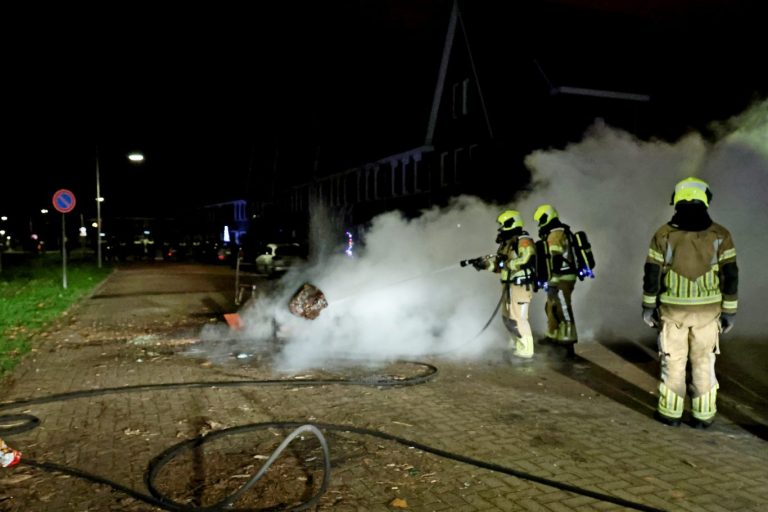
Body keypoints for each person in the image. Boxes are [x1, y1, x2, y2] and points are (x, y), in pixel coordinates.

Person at [642, 176, 738, 428]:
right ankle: (703, 416)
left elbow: (652, 273)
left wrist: (648, 307)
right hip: (708, 313)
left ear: (677, 201)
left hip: (673, 312)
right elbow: (730, 275)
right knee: (704, 362)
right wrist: (729, 311)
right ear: (705, 200)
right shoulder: (721, 234)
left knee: (673, 362)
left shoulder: (663, 234)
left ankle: (670, 414)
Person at [472, 210, 537, 358]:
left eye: (502, 225)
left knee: (518, 319)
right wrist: (484, 265)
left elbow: (525, 259)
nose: (500, 228)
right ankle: (517, 346)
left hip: (520, 286)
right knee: (508, 318)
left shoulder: (523, 240)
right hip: (509, 286)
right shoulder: (507, 243)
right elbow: (499, 266)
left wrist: (507, 263)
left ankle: (526, 351)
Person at [533, 204, 578, 357]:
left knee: (562, 308)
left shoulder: (556, 233)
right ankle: (553, 336)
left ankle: (567, 344)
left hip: (562, 278)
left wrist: (554, 277)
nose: (540, 224)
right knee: (551, 306)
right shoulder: (558, 231)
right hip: (559, 278)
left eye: (541, 220)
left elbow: (556, 257)